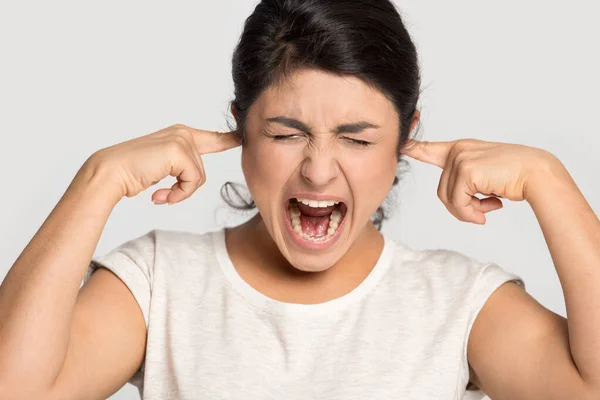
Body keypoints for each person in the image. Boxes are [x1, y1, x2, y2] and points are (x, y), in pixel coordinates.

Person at [1, 0, 599, 399]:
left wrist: (551, 181)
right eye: (286, 135)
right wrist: (96, 180)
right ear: (239, 129)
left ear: (404, 138)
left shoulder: (458, 302)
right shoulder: (159, 280)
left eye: (357, 138)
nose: (317, 171)